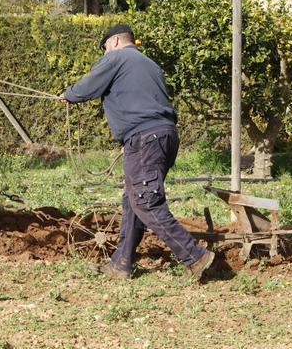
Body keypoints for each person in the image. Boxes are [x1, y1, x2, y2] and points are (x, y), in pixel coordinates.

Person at [61, 23, 215, 281]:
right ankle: (121, 264)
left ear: (115, 42)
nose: (105, 52)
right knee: (134, 201)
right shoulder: (149, 64)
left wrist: (69, 95)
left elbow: (86, 88)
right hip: (164, 135)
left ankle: (195, 255)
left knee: (145, 201)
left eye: (105, 47)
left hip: (145, 137)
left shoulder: (117, 57)